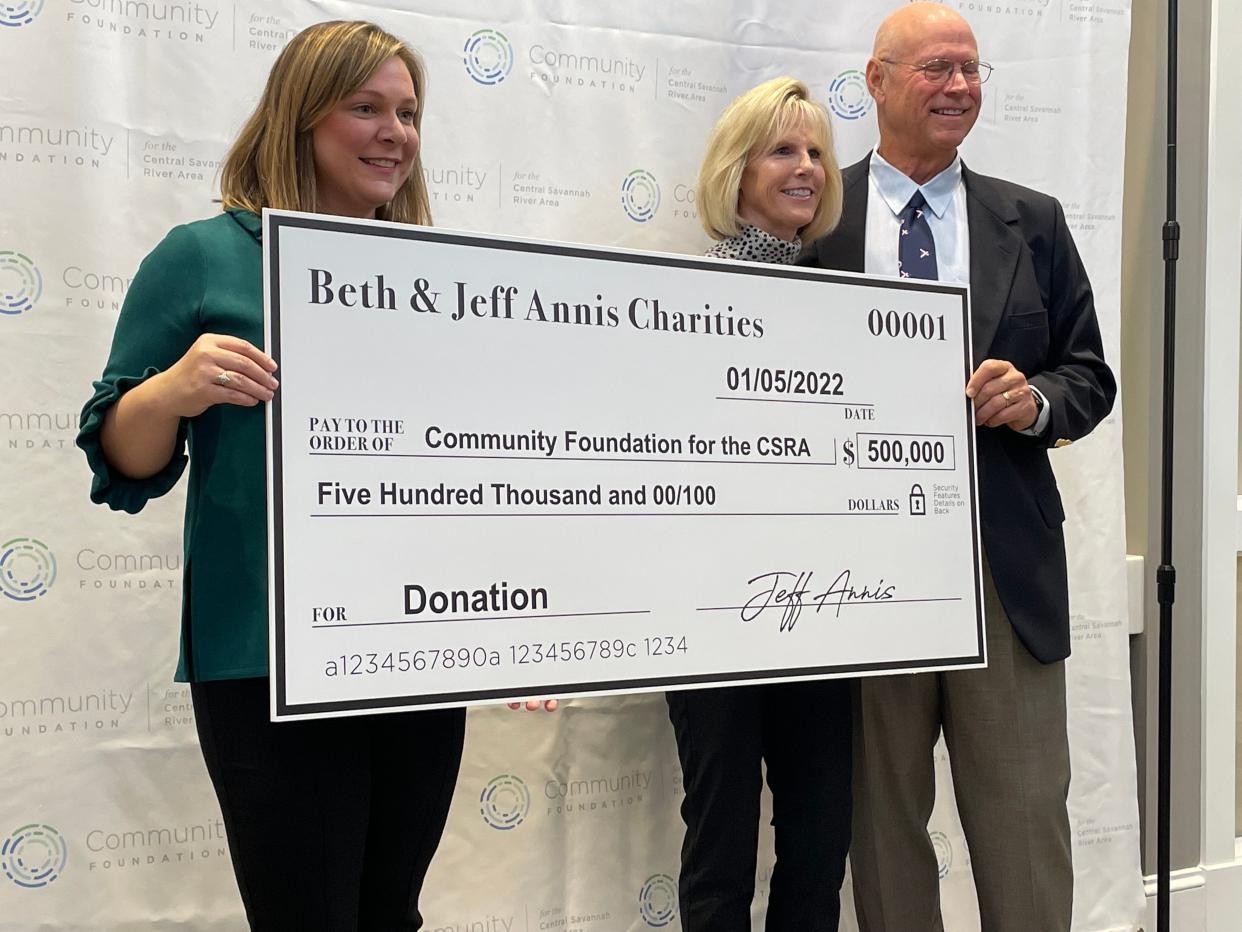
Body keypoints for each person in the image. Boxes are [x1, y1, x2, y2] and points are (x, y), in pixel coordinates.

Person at [78, 21, 466, 931]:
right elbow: (122, 461)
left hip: (415, 651)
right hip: (265, 656)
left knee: (391, 913)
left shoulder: (439, 275)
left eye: (408, 113)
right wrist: (173, 390)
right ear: (300, 116)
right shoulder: (200, 257)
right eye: (364, 107)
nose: (394, 133)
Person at [797, 5, 1116, 930]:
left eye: (973, 70)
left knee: (1023, 822)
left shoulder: (1035, 221)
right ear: (878, 81)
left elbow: (1089, 374)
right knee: (880, 826)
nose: (961, 87)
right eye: (937, 68)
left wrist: (1038, 402)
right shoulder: (817, 216)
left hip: (1000, 567)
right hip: (856, 571)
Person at [665, 76, 852, 931]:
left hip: (827, 616)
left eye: (816, 151)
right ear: (736, 172)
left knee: (820, 843)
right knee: (721, 841)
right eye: (783, 149)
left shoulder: (863, 307)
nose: (806, 167)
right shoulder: (681, 306)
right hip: (714, 624)